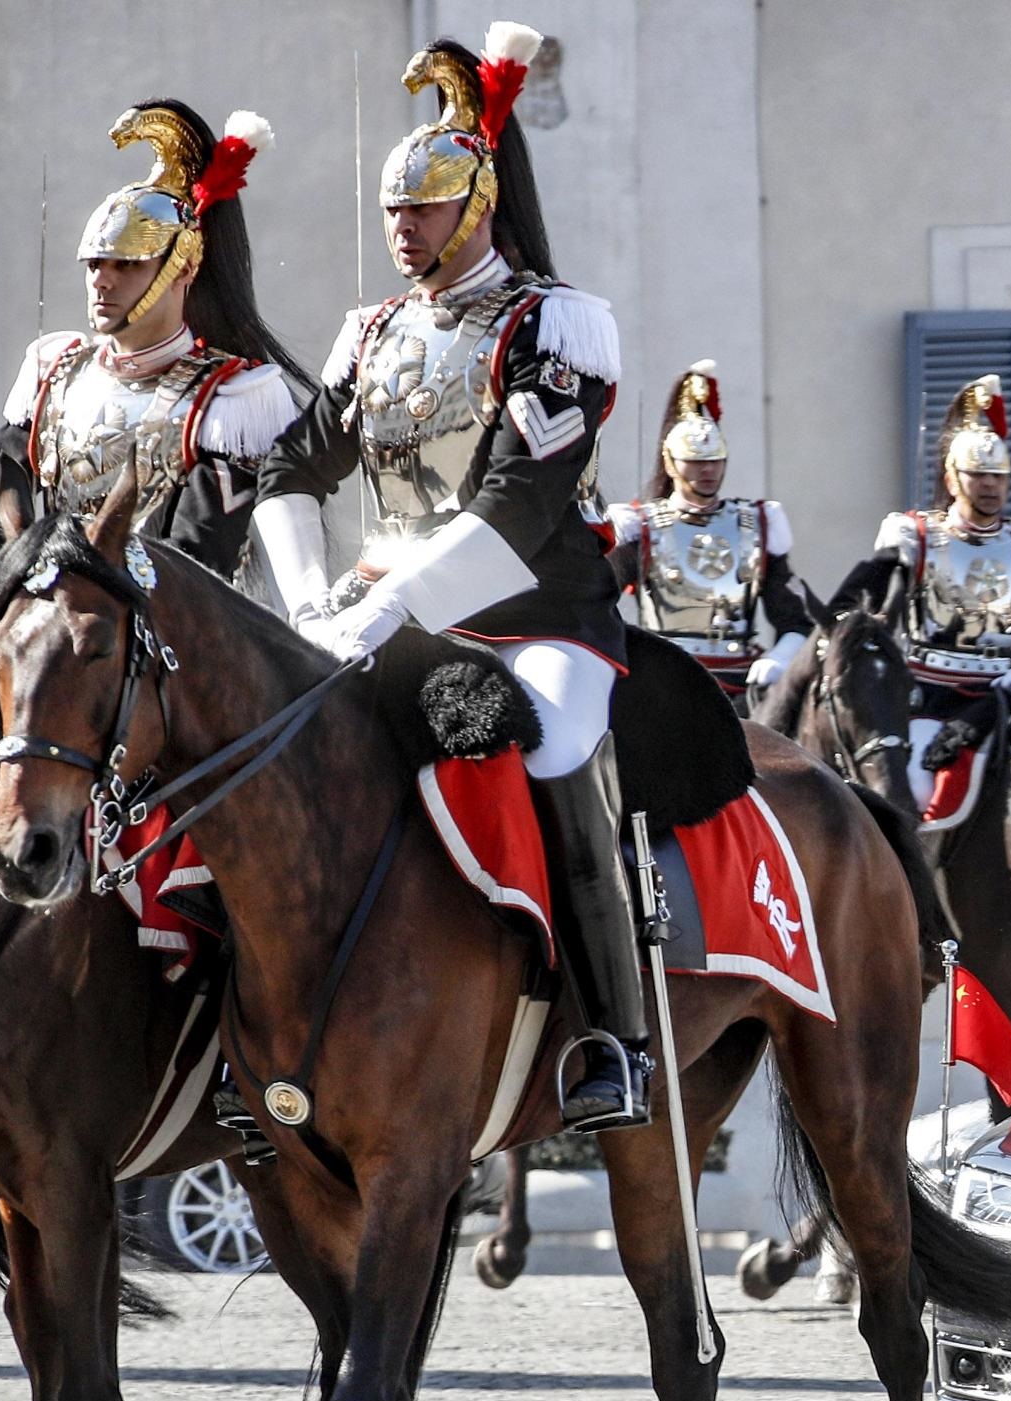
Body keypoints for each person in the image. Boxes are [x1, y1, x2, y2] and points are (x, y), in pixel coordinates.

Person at [251, 22, 650, 1131]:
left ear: (476, 205)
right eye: (392, 209)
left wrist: (381, 604)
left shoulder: (552, 326)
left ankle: (609, 1033)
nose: (401, 227)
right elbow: (292, 468)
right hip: (378, 622)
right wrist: (307, 605)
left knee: (563, 745)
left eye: (421, 208)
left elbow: (518, 508)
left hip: (535, 623)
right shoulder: (372, 333)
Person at [0, 101, 299, 613]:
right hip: (57, 648)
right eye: (95, 264)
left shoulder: (227, 400)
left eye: (126, 264)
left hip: (181, 659)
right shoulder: (55, 380)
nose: (103, 279)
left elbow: (194, 562)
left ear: (184, 266)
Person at [828, 375, 1011, 832]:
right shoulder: (916, 539)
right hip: (928, 701)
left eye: (998, 476)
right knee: (912, 791)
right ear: (952, 479)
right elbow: (846, 610)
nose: (990, 485)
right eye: (978, 475)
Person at [607, 360, 814, 699]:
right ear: (671, 463)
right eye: (697, 461)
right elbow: (600, 599)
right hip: (662, 677)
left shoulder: (757, 524)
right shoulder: (641, 527)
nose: (708, 471)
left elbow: (794, 616)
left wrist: (780, 657)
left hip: (739, 683)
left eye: (715, 460)